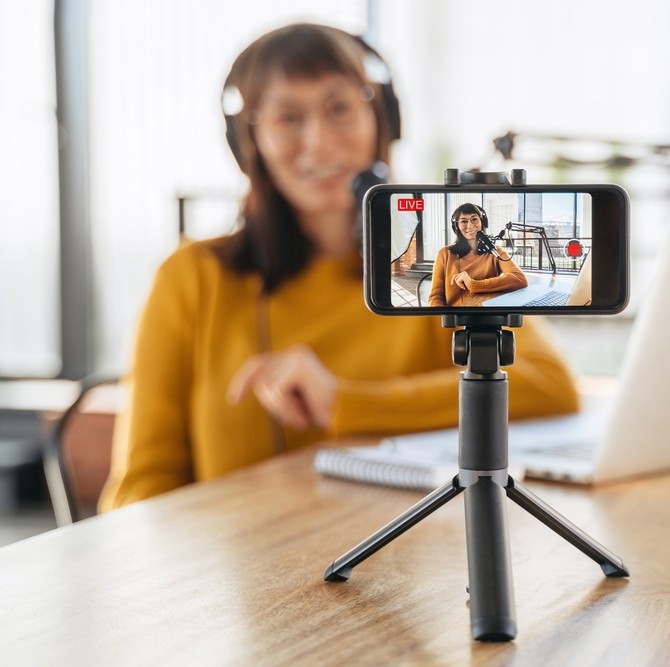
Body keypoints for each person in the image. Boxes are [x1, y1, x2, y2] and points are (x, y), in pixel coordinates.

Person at [99, 24, 579, 511]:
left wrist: (343, 401)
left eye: (340, 108)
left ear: (381, 119)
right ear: (249, 142)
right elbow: (139, 491)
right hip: (236, 570)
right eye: (287, 117)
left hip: (401, 561)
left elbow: (550, 384)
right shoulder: (191, 279)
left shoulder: (438, 261)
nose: (320, 143)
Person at [427, 203, 528, 306]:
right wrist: (444, 319)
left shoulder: (495, 251)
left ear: (482, 222)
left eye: (474, 219)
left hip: (487, 315)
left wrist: (473, 284)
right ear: (456, 226)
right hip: (456, 319)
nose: (470, 226)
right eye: (464, 221)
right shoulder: (445, 254)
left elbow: (520, 279)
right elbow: (435, 297)